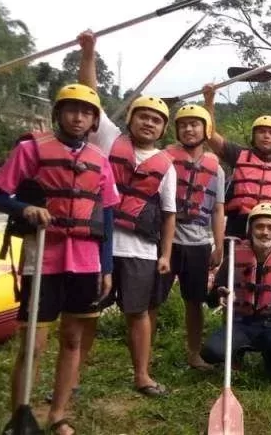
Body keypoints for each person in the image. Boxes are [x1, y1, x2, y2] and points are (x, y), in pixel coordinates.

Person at [0, 82, 119, 435]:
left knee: (73, 339)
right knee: (33, 344)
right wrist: (26, 207)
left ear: (94, 120)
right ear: (58, 114)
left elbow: (106, 215)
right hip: (43, 256)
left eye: (87, 112)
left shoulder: (99, 160)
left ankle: (58, 414)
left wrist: (106, 267)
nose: (79, 117)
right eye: (72, 110)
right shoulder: (31, 150)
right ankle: (19, 416)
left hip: (86, 260)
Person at [80, 30, 176, 397]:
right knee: (87, 312)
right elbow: (90, 97)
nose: (149, 123)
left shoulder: (166, 164)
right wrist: (89, 54)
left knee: (138, 313)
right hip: (100, 244)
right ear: (132, 120)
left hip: (141, 250)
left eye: (156, 119)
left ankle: (142, 376)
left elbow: (169, 214)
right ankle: (71, 379)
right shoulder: (107, 139)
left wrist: (165, 255)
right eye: (143, 117)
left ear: (163, 128)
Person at [155, 97, 226, 371]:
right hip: (167, 239)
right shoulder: (164, 159)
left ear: (205, 129)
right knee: (153, 298)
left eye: (194, 124)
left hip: (198, 241)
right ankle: (145, 354)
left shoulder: (216, 168)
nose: (188, 130)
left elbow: (218, 210)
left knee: (194, 300)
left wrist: (218, 245)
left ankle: (194, 353)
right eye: (183, 125)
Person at [201, 202, 271, 382]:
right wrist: (219, 293)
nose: (265, 232)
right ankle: (236, 353)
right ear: (250, 229)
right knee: (211, 352)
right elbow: (210, 301)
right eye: (260, 227)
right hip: (239, 324)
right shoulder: (233, 258)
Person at [203, 86, 271, 256]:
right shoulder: (238, 154)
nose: (266, 136)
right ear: (254, 136)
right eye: (261, 131)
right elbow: (210, 135)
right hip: (240, 222)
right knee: (234, 270)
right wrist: (209, 102)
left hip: (270, 223)